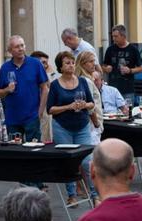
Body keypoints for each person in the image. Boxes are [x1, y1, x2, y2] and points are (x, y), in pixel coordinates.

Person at [47, 51, 95, 206]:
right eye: (67, 63)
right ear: (60, 66)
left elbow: (91, 103)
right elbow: (50, 109)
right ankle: (72, 195)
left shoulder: (82, 81)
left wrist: (84, 105)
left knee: (87, 162)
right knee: (69, 162)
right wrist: (68, 106)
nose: (71, 65)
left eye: (73, 62)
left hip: (82, 125)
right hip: (62, 127)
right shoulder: (55, 85)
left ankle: (94, 194)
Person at [0, 35, 49, 142]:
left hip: (32, 116)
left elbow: (45, 88)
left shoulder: (35, 64)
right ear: (10, 51)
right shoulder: (5, 68)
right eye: (17, 46)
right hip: (13, 118)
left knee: (33, 150)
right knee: (15, 152)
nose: (21, 49)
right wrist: (7, 89)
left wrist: (40, 112)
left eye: (22, 45)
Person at [75, 52, 104, 201]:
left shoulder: (85, 79)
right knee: (92, 158)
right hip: (92, 123)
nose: (94, 64)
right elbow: (89, 104)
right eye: (90, 62)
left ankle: (84, 187)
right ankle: (94, 190)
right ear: (83, 63)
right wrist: (96, 121)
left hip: (91, 121)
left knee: (87, 158)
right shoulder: (85, 80)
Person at [101, 25, 142, 102]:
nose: (113, 39)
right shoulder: (110, 49)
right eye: (112, 36)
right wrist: (106, 69)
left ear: (123, 36)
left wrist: (130, 70)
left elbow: (141, 68)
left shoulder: (133, 49)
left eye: (116, 36)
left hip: (128, 90)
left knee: (127, 112)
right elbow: (103, 66)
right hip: (112, 89)